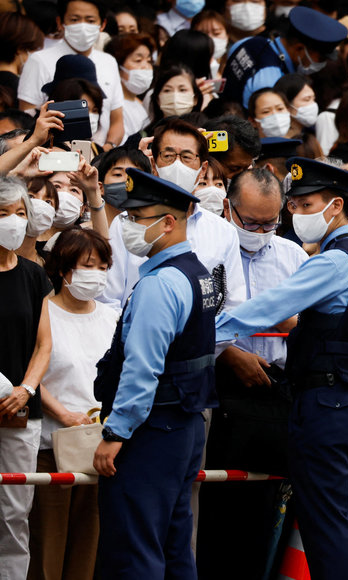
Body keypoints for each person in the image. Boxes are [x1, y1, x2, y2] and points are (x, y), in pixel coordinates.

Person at [214, 157, 348, 578]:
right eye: (293, 204)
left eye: (305, 203)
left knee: (326, 524)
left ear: (334, 206)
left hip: (325, 404)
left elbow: (267, 308)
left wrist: (206, 332)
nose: (296, 212)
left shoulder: (331, 262)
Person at [93, 168, 218, 579]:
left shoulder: (161, 283)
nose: (125, 225)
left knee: (135, 548)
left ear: (168, 222)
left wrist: (116, 433)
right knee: (174, 545)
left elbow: (142, 368)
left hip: (151, 429)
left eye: (136, 216)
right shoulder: (196, 272)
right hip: (182, 424)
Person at [196, 167, 308, 578]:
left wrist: (290, 323)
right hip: (220, 389)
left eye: (271, 222)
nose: (261, 231)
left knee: (264, 510)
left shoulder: (293, 256)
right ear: (228, 208)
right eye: (252, 222)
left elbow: (307, 326)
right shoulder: (206, 253)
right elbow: (195, 321)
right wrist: (227, 354)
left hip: (274, 391)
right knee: (214, 509)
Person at [28, 227, 116, 580]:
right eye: (88, 266)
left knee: (88, 543)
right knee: (47, 542)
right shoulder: (41, 311)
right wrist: (62, 414)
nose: (96, 275)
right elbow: (30, 370)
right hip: (51, 445)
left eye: (102, 267)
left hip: (100, 448)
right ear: (64, 270)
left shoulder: (112, 316)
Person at [100, 118, 245, 315]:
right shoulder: (125, 222)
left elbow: (233, 306)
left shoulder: (223, 232)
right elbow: (108, 299)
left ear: (202, 169)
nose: (177, 165)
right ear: (153, 164)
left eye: (186, 157)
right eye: (168, 156)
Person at [0, 176, 53, 580]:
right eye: (4, 214)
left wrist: (26, 388)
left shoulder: (35, 276)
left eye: (21, 213)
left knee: (15, 513)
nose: (14, 222)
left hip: (22, 410)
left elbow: (43, 345)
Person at [19, 0, 125, 149]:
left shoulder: (109, 62)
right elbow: (25, 118)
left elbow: (117, 120)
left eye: (90, 20)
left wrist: (104, 150)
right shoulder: (39, 61)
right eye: (75, 19)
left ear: (102, 24)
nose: (82, 25)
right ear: (60, 22)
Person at [222, 6, 347, 108]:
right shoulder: (272, 82)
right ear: (299, 48)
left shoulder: (248, 42)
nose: (322, 64)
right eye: (321, 59)